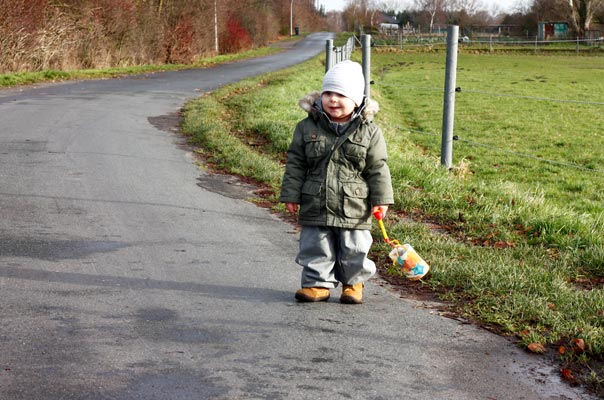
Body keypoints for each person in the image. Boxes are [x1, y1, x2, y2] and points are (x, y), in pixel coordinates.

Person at [280, 60, 394, 304]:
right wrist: (290, 194)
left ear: (356, 100)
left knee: (354, 248)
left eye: (341, 94)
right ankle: (316, 284)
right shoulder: (306, 128)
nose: (333, 99)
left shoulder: (369, 132)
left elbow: (377, 168)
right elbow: (296, 163)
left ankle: (353, 283)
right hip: (315, 201)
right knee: (315, 245)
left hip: (354, 204)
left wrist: (381, 199)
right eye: (328, 93)